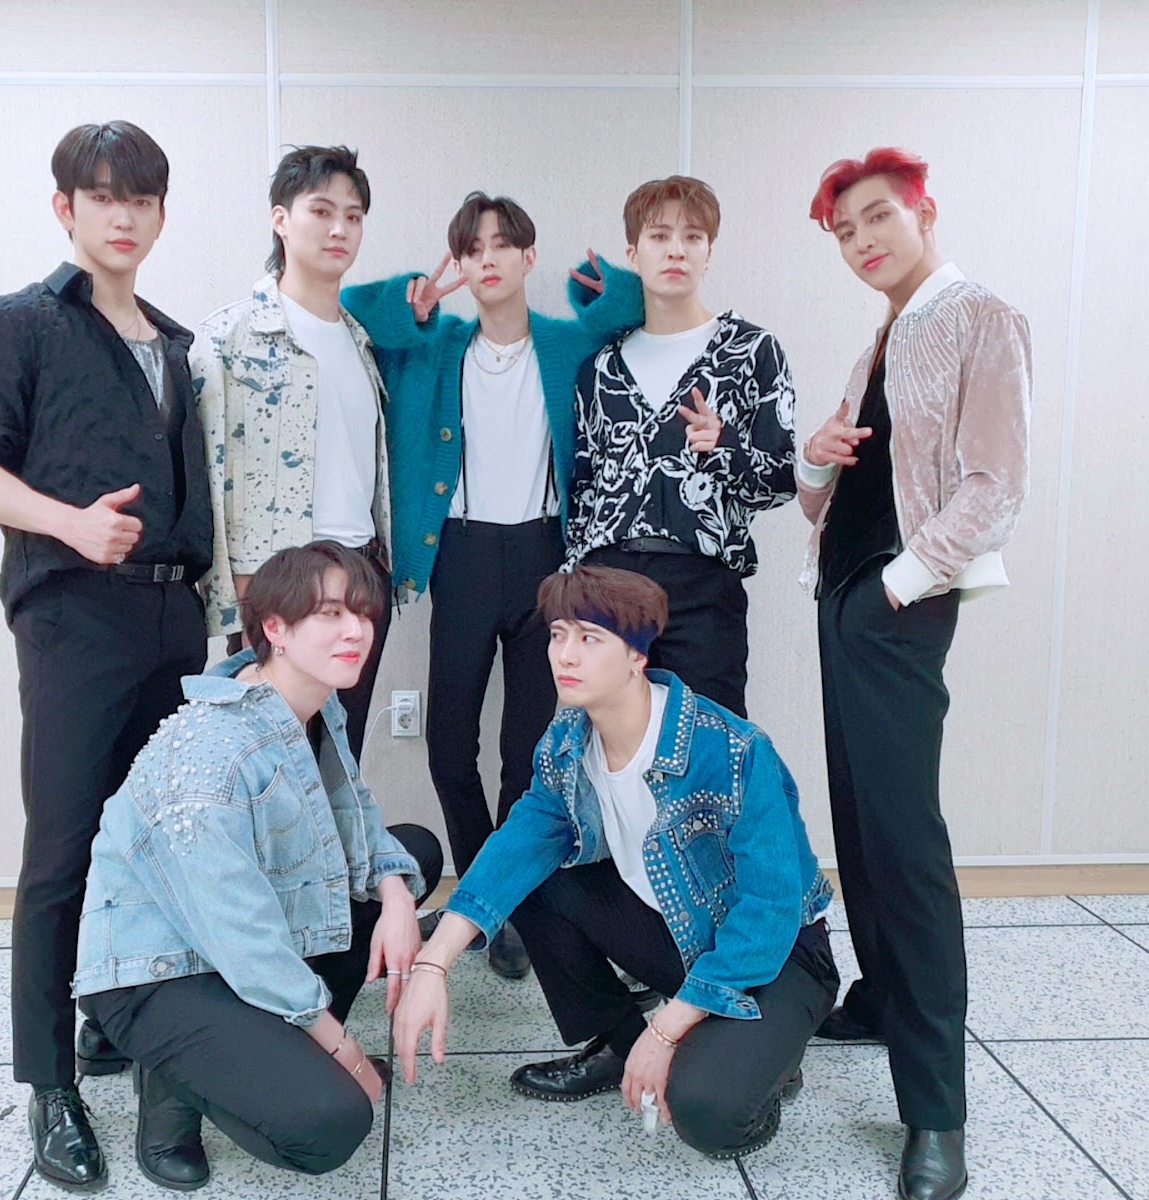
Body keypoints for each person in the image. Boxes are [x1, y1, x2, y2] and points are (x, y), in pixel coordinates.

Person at [0, 122, 212, 1191]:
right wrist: (67, 523)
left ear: (161, 214)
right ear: (66, 208)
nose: (123, 215)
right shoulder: (16, 324)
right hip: (74, 617)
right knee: (61, 849)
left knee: (156, 844)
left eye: (140, 198)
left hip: (174, 618)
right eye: (102, 196)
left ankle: (120, 1027)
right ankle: (51, 1088)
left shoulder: (178, 344)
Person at [393, 566, 837, 1162]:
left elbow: (771, 909)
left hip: (779, 957)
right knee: (534, 876)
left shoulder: (731, 750)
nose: (565, 655)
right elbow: (516, 846)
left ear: (637, 656)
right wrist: (433, 965)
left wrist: (668, 1029)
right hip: (679, 936)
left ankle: (766, 1059)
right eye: (558, 634)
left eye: (590, 638)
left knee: (708, 1113)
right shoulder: (567, 742)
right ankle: (623, 1044)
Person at [800, 146, 1032, 1200]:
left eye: (876, 218)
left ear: (923, 211)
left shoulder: (980, 317)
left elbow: (994, 485)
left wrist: (901, 581)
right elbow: (824, 497)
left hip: (897, 603)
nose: (861, 241)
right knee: (857, 822)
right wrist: (817, 458)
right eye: (844, 231)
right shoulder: (879, 342)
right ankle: (882, 997)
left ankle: (936, 1113)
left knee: (906, 845)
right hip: (842, 598)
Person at [339, 192, 644, 980]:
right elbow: (352, 309)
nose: (487, 260)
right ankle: (484, 899)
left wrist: (598, 288)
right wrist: (413, 300)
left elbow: (635, 309)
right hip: (464, 557)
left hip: (547, 558)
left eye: (502, 245)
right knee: (449, 742)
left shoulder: (565, 343)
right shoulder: (437, 345)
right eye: (472, 249)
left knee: (527, 751)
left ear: (527, 257)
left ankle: (503, 905)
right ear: (462, 264)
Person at [73, 541, 442, 1189]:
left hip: (233, 940)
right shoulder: (212, 756)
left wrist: (395, 898)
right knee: (332, 1121)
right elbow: (241, 935)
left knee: (414, 852)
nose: (356, 631)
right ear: (276, 628)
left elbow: (354, 814)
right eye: (330, 613)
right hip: (159, 970)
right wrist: (343, 1050)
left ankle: (262, 1047)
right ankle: (172, 1088)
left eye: (363, 613)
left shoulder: (311, 700)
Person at [563, 176, 797, 717]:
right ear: (633, 254)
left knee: (710, 742)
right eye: (659, 236)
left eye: (693, 237)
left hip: (703, 585)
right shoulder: (600, 368)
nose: (676, 250)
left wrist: (725, 446)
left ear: (709, 252)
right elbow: (583, 488)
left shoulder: (751, 351)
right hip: (609, 587)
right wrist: (574, 587)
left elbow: (783, 481)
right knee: (609, 744)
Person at [191, 145, 393, 759]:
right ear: (281, 219)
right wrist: (237, 590)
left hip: (361, 574)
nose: (339, 229)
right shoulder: (229, 337)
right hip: (279, 581)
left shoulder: (360, 342)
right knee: (272, 761)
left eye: (353, 216)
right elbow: (207, 474)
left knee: (341, 758)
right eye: (322, 211)